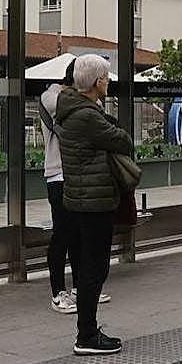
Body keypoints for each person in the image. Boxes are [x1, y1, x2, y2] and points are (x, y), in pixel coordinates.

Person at [56, 54, 133, 356]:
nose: (109, 81)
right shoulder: (87, 116)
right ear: (96, 82)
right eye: (106, 77)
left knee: (90, 265)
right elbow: (123, 140)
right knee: (94, 268)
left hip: (82, 197)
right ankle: (86, 335)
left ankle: (87, 331)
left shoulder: (75, 109)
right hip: (93, 200)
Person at [40, 59, 111, 314]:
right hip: (58, 173)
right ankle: (58, 291)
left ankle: (82, 286)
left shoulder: (89, 103)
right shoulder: (51, 97)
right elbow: (66, 109)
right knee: (63, 234)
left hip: (79, 174)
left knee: (81, 235)